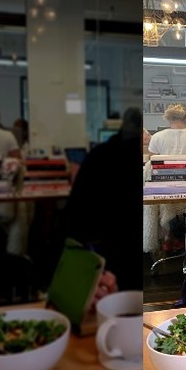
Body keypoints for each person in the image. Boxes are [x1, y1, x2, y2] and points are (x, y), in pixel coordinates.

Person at [57, 107, 144, 301]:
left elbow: (71, 222)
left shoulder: (99, 155)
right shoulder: (130, 161)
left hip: (100, 265)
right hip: (115, 267)